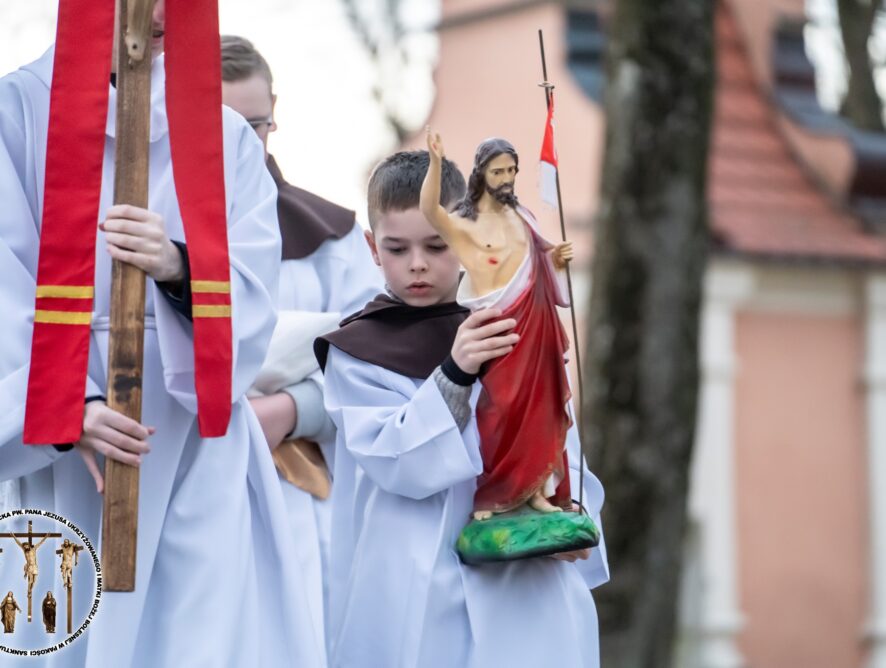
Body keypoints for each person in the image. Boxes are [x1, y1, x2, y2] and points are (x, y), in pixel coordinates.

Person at [0, 2, 323, 665]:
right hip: (68, 450)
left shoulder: (227, 137)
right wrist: (67, 405)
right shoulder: (19, 114)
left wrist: (180, 266)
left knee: (197, 639)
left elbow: (255, 288)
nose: (158, 11)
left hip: (191, 450)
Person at [315, 150, 609, 667]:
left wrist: (579, 518)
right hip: (415, 588)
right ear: (372, 249)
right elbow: (397, 462)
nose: (419, 264)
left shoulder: (512, 325)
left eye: (436, 244)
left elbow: (560, 439)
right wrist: (455, 371)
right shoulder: (355, 350)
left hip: (526, 587)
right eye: (398, 248)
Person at [220, 35, 383, 642]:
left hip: (306, 497)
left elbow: (379, 361)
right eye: (219, 126)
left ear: (273, 119)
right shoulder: (147, 244)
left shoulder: (335, 241)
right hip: (187, 485)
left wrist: (293, 409)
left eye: (254, 125)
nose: (239, 144)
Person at [421, 131, 575, 520]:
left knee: (543, 409)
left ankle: (539, 492)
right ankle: (496, 493)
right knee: (499, 411)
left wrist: (556, 259)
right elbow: (430, 212)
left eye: (511, 170)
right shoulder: (465, 224)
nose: (506, 178)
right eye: (498, 171)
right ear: (481, 173)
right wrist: (436, 163)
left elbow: (541, 264)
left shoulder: (524, 217)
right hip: (498, 328)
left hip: (536, 326)